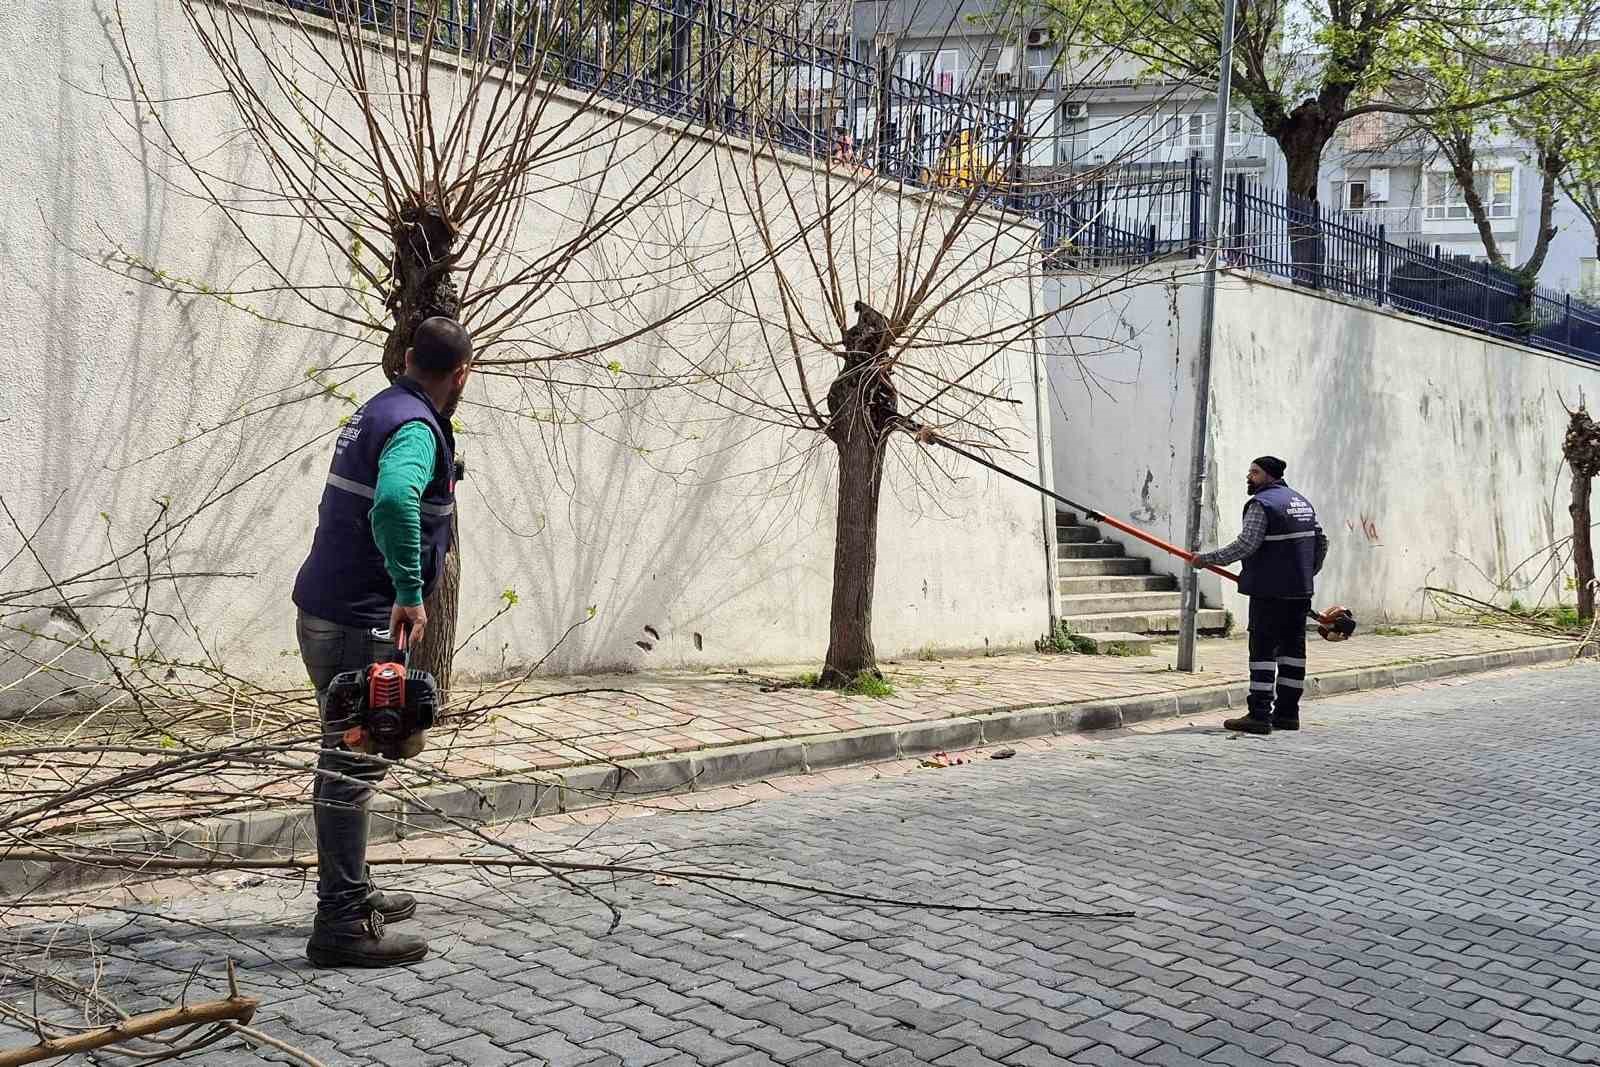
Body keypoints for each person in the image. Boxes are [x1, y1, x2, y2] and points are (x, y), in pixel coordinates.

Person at [292, 316, 473, 967]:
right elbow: (395, 501)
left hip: (327, 609)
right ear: (461, 376)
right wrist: (409, 590)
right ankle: (341, 921)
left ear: (407, 357)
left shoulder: (380, 407)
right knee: (351, 764)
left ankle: (353, 887)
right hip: (360, 619)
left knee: (347, 755)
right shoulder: (417, 427)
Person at [1189, 456, 1328, 736]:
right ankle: (1288, 714)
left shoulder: (1262, 504)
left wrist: (1207, 559)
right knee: (1292, 652)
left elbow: (1246, 544)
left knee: (1263, 651)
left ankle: (1259, 714)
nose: (1249, 477)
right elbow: (1321, 542)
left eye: (1255, 472)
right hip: (1299, 591)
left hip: (1269, 592)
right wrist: (1306, 572)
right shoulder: (1301, 502)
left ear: (1270, 476)